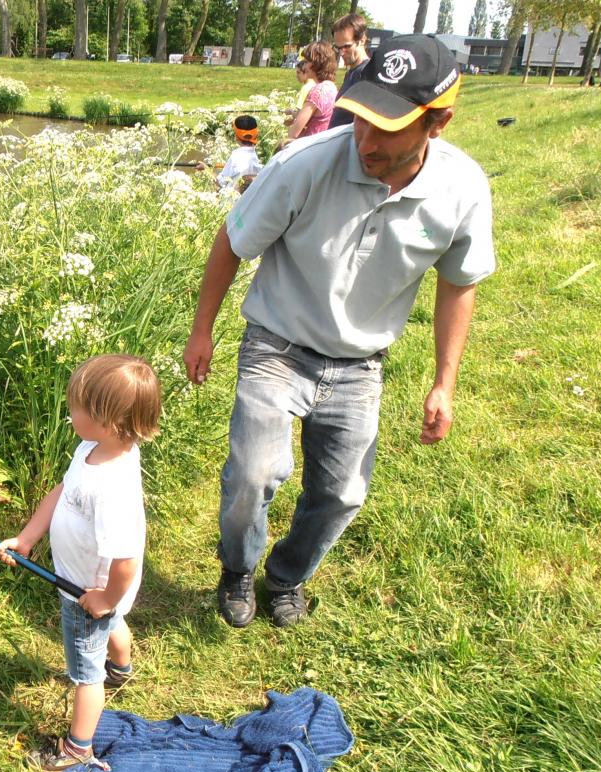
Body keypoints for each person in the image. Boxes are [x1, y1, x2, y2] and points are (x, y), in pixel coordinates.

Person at [182, 34, 496, 629]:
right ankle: (238, 568)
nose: (366, 142)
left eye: (388, 128)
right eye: (360, 120)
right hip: (276, 344)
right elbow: (232, 239)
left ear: (439, 123)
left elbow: (460, 282)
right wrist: (203, 330)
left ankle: (287, 576)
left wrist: (444, 382)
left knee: (342, 495)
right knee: (252, 476)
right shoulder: (303, 163)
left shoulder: (463, 189)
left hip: (359, 363)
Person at [0, 354, 162, 772]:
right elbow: (63, 490)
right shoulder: (92, 448)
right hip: (99, 591)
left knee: (87, 676)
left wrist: (103, 598)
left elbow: (123, 561)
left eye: (77, 407)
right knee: (115, 623)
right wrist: (28, 537)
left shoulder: (113, 488)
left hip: (89, 591)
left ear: (107, 420)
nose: (70, 412)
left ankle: (77, 749)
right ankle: (122, 668)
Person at [285, 41, 339, 144]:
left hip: (310, 147)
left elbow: (294, 133)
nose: (304, 67)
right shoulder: (331, 87)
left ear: (316, 63)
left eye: (306, 61)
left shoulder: (317, 92)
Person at [329, 12, 372, 128]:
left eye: (347, 46)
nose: (341, 52)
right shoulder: (352, 72)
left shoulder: (366, 73)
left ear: (362, 40)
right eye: (337, 48)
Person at [216, 115, 263, 193]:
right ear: (256, 135)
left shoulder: (236, 156)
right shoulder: (254, 156)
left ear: (236, 137)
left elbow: (220, 182)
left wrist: (206, 169)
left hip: (233, 202)